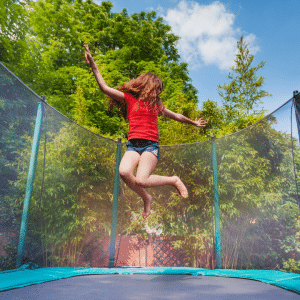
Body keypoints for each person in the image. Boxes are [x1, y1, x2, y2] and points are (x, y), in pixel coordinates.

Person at [84, 44, 207, 219]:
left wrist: (193, 122)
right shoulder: (129, 99)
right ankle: (146, 198)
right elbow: (105, 88)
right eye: (157, 88)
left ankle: (173, 180)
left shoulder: (157, 105)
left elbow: (176, 116)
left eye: (160, 90)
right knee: (124, 172)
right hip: (133, 145)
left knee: (141, 179)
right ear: (148, 85)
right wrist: (94, 66)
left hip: (150, 146)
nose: (158, 92)